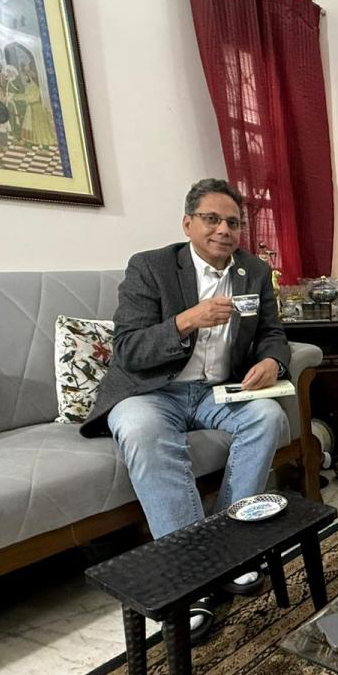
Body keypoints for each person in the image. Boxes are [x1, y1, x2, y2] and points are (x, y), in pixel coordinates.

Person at [82, 178, 290, 642]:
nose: (224, 230)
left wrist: (273, 362)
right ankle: (190, 571)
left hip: (218, 391)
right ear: (188, 223)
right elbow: (128, 349)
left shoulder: (254, 270)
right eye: (212, 219)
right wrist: (186, 320)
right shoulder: (150, 267)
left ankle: (233, 545)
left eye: (233, 222)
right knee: (140, 431)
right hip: (154, 392)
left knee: (269, 417)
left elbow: (271, 332)